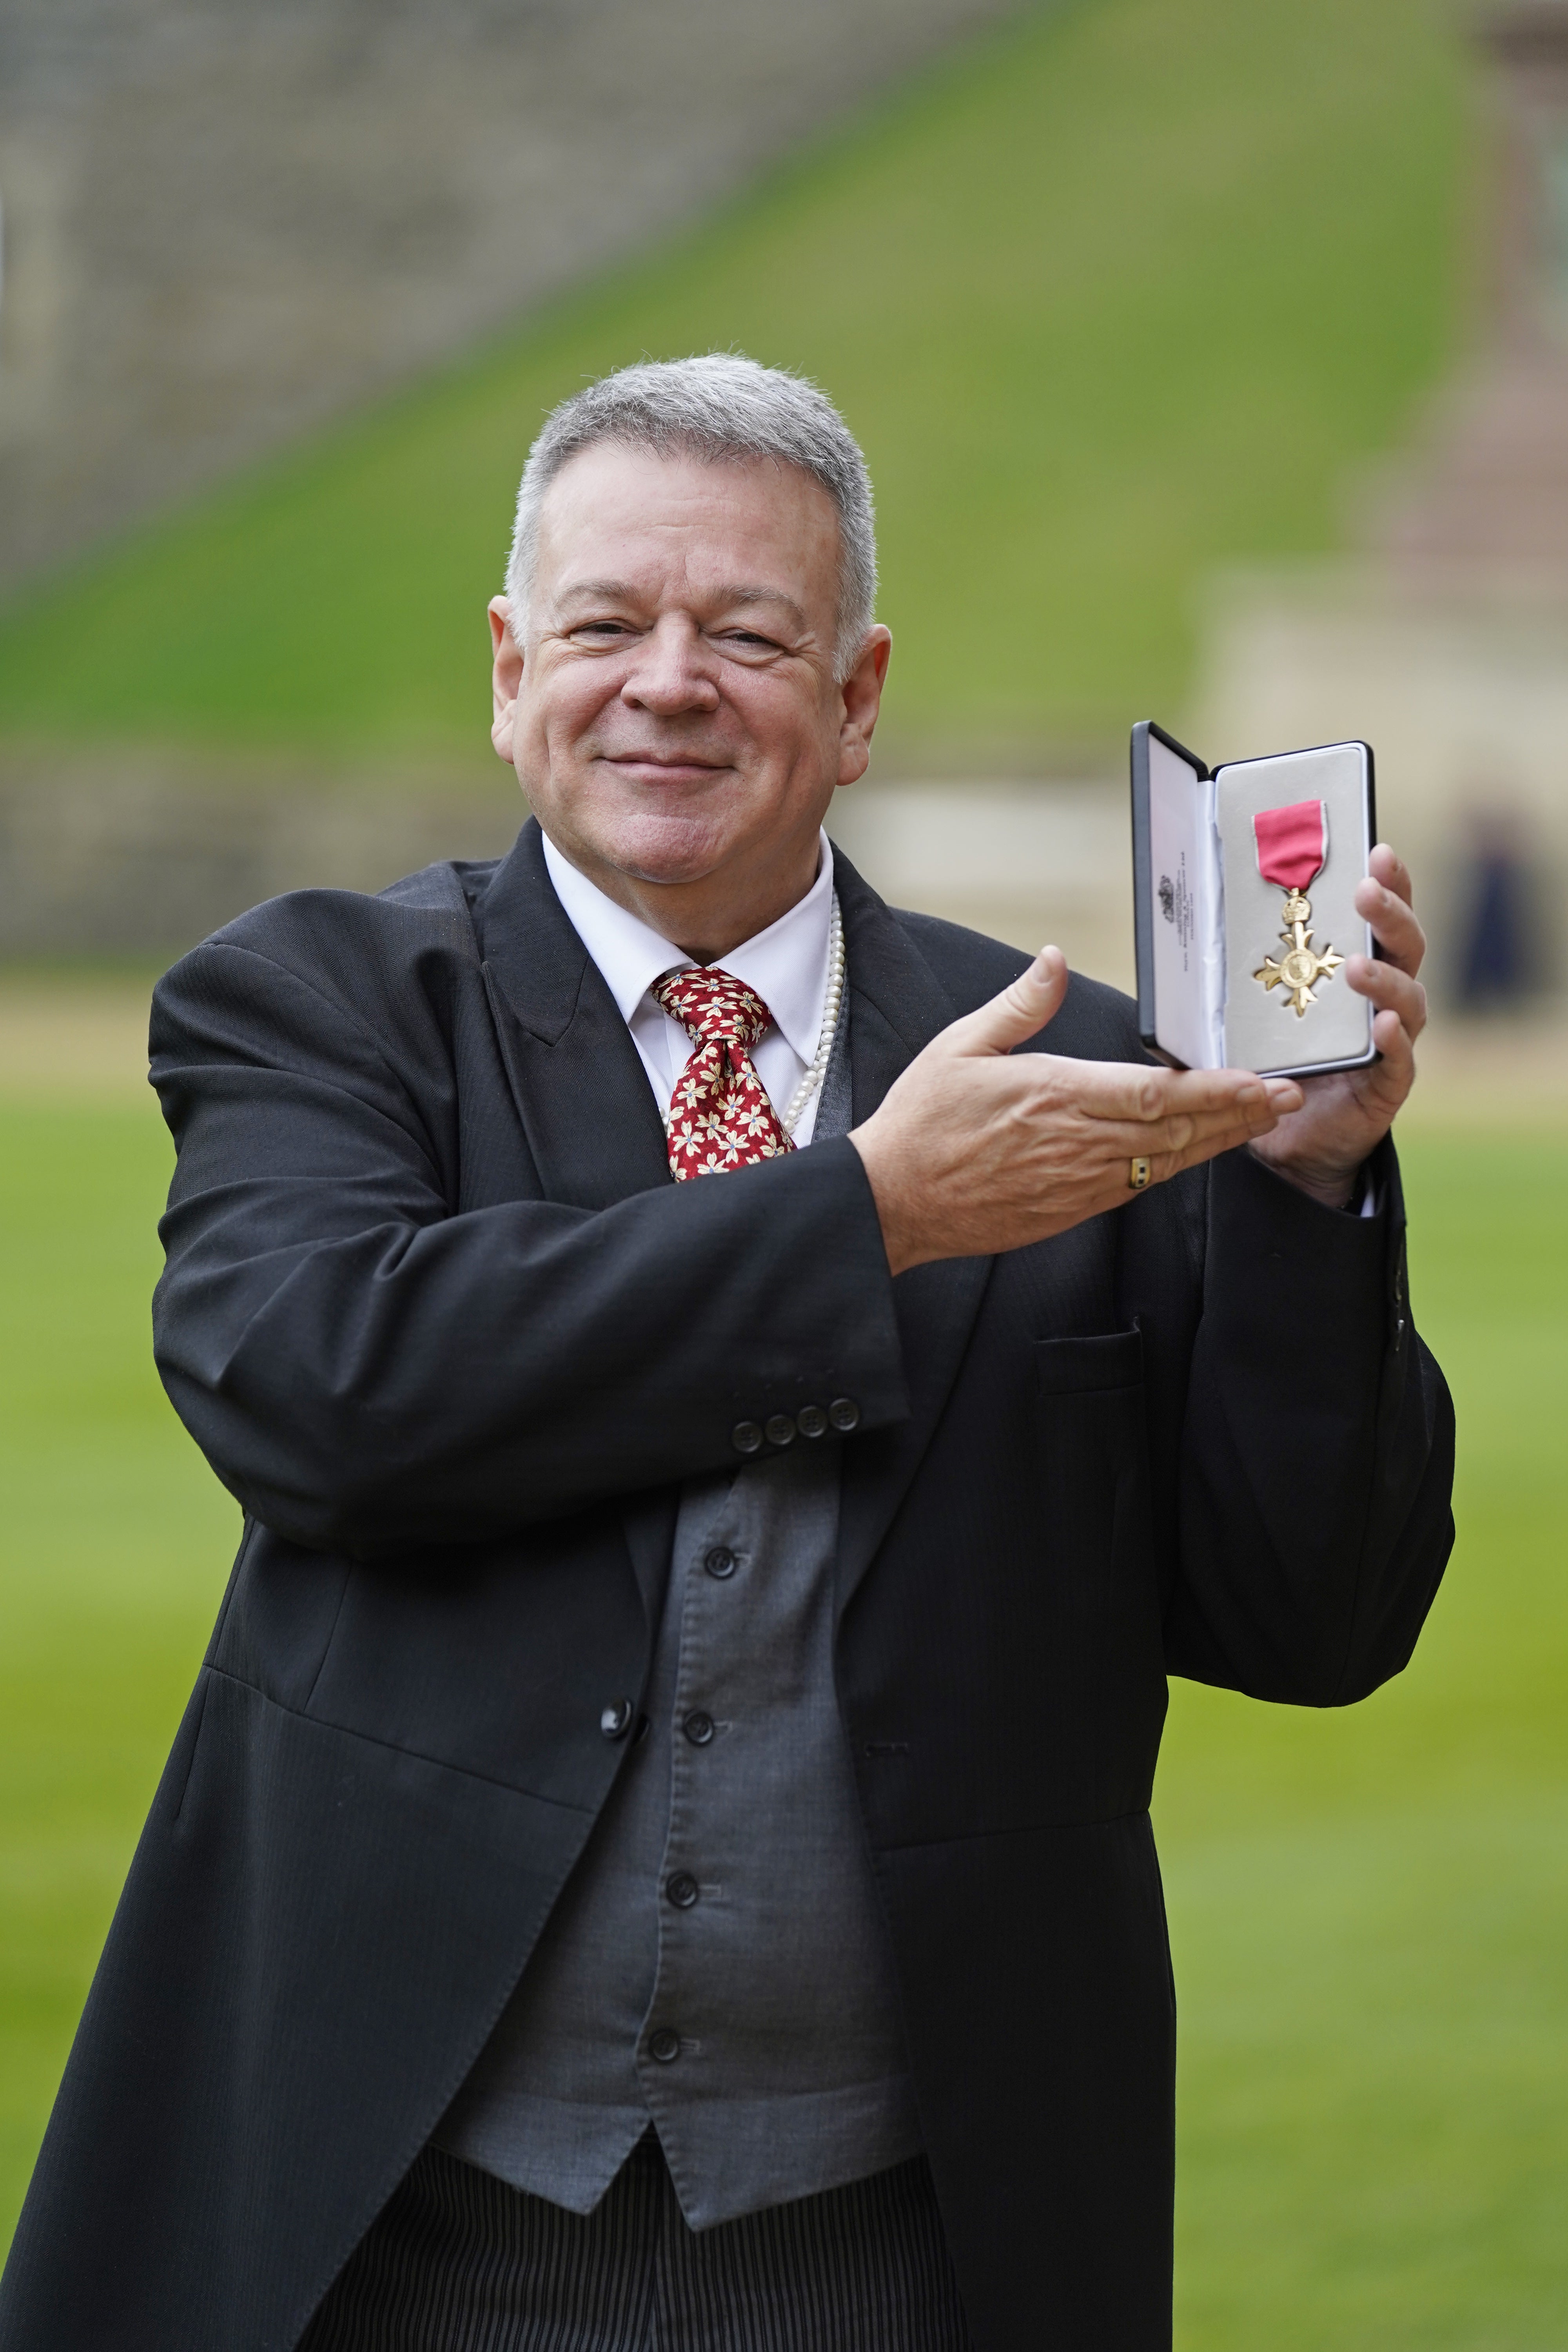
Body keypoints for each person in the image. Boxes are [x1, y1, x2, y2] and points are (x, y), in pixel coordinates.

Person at [0, 356, 1454, 2352]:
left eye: (747, 635)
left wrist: (1303, 1200)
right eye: (606, 624)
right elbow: (322, 1394)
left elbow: (1317, 1620)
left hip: (913, 2236)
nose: (666, 680)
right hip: (385, 2212)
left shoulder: (1093, 1066)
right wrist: (870, 1214)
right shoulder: (321, 1003)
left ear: (854, 701)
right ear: (513, 667)